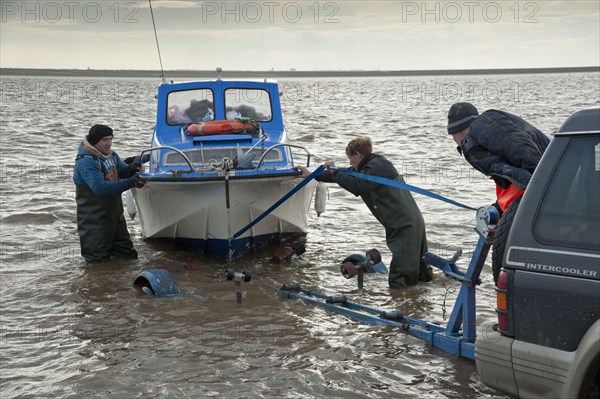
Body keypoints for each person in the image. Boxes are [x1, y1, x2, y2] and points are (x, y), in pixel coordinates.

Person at [298, 136, 432, 289]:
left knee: (401, 279)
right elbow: (348, 175)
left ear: (358, 154)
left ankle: (402, 306)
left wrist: (335, 173)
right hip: (411, 223)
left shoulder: (377, 166)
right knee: (422, 274)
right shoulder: (369, 167)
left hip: (405, 227)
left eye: (350, 158)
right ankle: (421, 303)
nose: (350, 162)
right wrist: (312, 175)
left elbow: (358, 186)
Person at [446, 103, 550, 283]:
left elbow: (523, 151)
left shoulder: (483, 124)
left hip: (539, 193)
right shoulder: (475, 139)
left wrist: (540, 188)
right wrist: (499, 208)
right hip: (531, 194)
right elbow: (508, 175)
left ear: (454, 131)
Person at [73, 124, 145, 263]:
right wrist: (131, 182)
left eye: (111, 139)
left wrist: (132, 168)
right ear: (95, 141)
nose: (109, 143)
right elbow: (100, 188)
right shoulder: (86, 161)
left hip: (116, 220)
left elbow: (122, 170)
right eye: (105, 140)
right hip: (94, 225)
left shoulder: (112, 155)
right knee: (98, 266)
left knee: (129, 258)